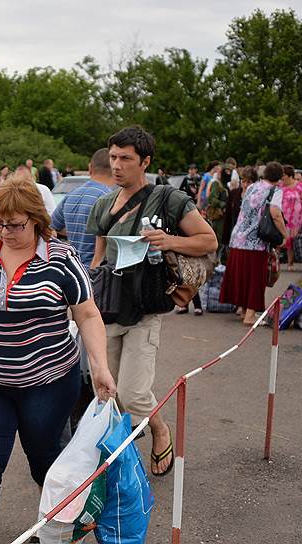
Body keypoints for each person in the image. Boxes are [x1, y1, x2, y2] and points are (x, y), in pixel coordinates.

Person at [0, 178, 117, 544]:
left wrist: (100, 366)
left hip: (47, 383)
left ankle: (59, 528)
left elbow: (88, 316)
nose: (4, 232)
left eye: (14, 225)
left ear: (36, 220)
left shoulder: (62, 258)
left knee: (44, 457)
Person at [87, 126, 217, 477]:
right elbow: (98, 257)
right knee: (107, 392)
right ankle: (117, 462)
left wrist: (169, 240)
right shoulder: (102, 204)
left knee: (133, 392)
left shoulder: (169, 199)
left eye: (126, 158)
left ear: (144, 161)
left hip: (146, 308)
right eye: (113, 157)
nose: (117, 165)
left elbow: (208, 241)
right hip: (109, 308)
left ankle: (159, 429)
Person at [219, 161, 288, 325]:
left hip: (237, 238)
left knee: (242, 276)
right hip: (255, 241)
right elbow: (275, 214)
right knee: (255, 278)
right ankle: (250, 316)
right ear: (279, 178)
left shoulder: (252, 187)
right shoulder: (275, 191)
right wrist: (284, 235)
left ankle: (244, 311)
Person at [51, 148, 115, 268]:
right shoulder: (110, 199)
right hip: (97, 273)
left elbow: (50, 227)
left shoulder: (71, 194)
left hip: (72, 269)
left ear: (90, 168)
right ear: (114, 169)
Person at [280, 165, 302, 271]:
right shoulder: (279, 186)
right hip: (281, 218)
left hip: (295, 220)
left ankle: (290, 263)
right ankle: (275, 263)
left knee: (292, 243)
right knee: (278, 240)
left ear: (290, 176)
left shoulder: (300, 186)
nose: (281, 177)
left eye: (283, 175)